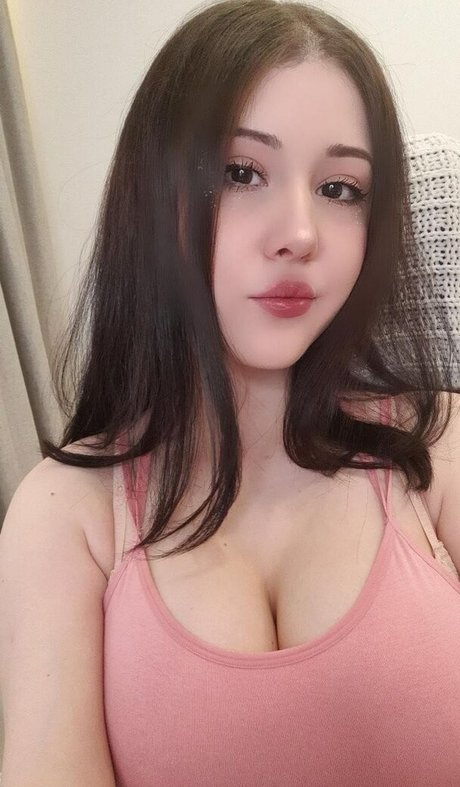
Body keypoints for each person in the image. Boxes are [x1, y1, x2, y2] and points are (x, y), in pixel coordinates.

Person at [1, 1, 460, 784]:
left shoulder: (437, 444)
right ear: (152, 195)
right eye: (240, 172)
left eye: (341, 188)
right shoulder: (66, 512)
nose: (301, 232)